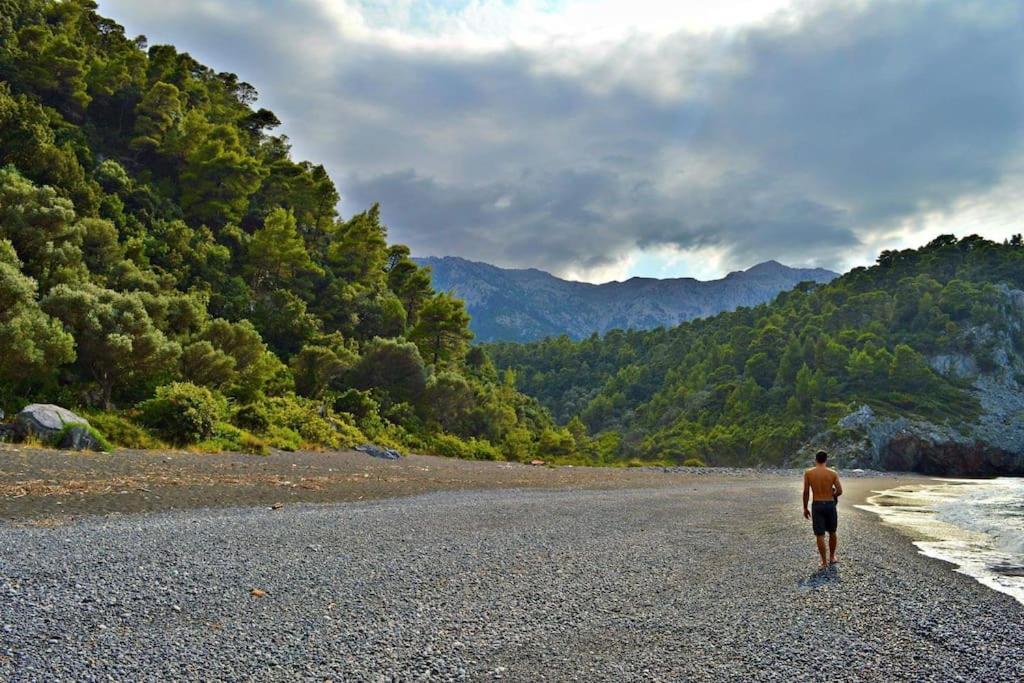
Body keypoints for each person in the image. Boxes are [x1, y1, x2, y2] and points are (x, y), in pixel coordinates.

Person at [802, 450, 843, 570]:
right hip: (830, 504)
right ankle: (832, 557)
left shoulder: (809, 473)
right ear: (826, 460)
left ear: (816, 460)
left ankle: (824, 562)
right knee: (832, 532)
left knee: (819, 534)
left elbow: (806, 492)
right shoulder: (832, 473)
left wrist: (805, 507)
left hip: (817, 505)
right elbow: (840, 491)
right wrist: (833, 494)